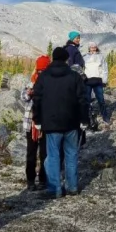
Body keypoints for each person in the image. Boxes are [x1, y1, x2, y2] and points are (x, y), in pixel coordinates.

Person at [32, 46, 89, 198]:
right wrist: (84, 119)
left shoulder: (43, 77)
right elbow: (83, 100)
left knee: (53, 156)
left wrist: (37, 119)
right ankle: (72, 187)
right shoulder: (74, 76)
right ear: (66, 59)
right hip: (72, 122)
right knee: (71, 154)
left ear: (53, 58)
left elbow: (36, 99)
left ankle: (55, 189)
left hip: (51, 124)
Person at [23, 54, 51, 190]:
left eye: (43, 70)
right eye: (39, 70)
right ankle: (30, 180)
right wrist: (29, 93)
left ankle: (43, 179)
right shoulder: (31, 82)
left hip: (45, 123)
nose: (40, 73)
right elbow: (24, 97)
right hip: (30, 124)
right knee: (31, 153)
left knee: (45, 153)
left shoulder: (50, 83)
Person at [84, 42, 110, 129]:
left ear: (96, 48)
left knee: (101, 100)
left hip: (98, 80)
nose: (93, 49)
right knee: (87, 100)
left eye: (94, 47)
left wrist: (104, 80)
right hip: (87, 80)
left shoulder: (101, 56)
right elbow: (82, 69)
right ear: (89, 48)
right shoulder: (85, 57)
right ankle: (87, 119)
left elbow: (105, 68)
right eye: (91, 47)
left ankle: (105, 118)